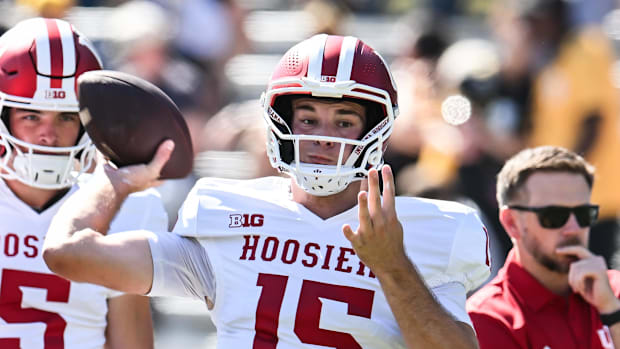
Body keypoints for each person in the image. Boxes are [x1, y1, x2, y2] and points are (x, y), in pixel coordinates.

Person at [42, 34, 490, 348]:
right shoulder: (228, 215)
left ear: (376, 128)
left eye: (344, 121)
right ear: (280, 121)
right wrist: (113, 182)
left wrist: (393, 266)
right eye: (308, 118)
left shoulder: (424, 229)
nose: (323, 137)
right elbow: (67, 252)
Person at [0, 18, 168, 348]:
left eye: (66, 116)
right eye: (31, 116)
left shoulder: (125, 207)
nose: (48, 134)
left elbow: (129, 342)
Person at [467, 145, 620, 349]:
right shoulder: (487, 318)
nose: (573, 228)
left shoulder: (614, 290)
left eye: (584, 214)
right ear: (512, 222)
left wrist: (612, 312)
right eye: (554, 216)